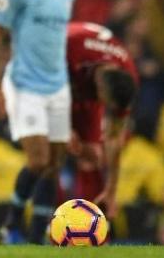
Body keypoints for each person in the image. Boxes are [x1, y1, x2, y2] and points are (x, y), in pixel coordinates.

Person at [0, 0, 76, 243]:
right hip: (25, 84)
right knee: (37, 160)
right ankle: (11, 225)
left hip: (58, 86)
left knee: (54, 165)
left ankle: (37, 238)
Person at [65, 22, 139, 219]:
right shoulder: (69, 50)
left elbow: (114, 138)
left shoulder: (127, 74)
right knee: (49, 152)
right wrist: (61, 126)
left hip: (78, 84)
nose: (104, 108)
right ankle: (43, 224)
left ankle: (92, 224)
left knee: (93, 156)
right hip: (43, 75)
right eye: (104, 103)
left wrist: (112, 189)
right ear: (98, 87)